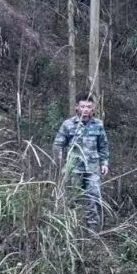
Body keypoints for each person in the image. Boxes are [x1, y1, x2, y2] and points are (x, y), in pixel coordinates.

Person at [53, 92, 111, 231]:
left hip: (92, 169)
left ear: (93, 108)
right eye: (83, 106)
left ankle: (92, 231)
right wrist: (60, 163)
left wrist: (104, 163)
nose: (86, 110)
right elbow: (58, 145)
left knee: (94, 197)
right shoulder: (68, 124)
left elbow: (103, 146)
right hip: (74, 169)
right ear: (77, 107)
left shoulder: (98, 125)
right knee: (73, 198)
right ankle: (72, 229)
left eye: (89, 107)